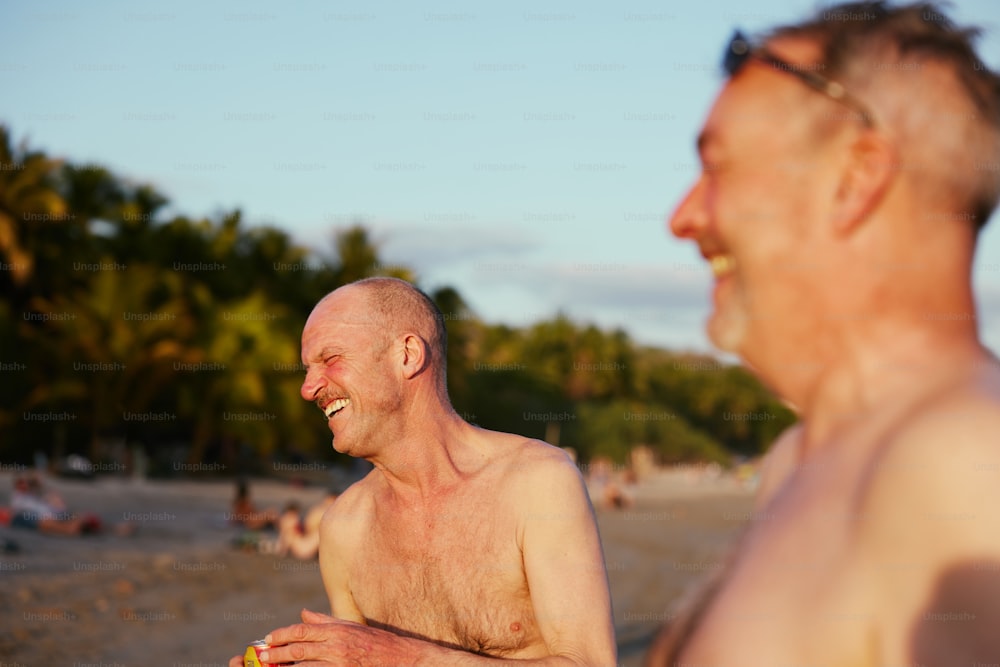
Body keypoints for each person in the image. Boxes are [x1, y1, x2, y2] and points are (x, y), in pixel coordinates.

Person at [646, 2, 1000, 665]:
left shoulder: (961, 462)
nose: (683, 217)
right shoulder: (799, 461)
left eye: (718, 167)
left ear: (856, 176)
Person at [228, 277, 616, 666]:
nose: (308, 388)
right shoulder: (345, 525)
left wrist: (404, 659)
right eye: (307, 369)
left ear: (408, 355)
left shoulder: (536, 482)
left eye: (330, 359)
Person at [275, 488, 339, 560]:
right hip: (305, 548)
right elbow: (306, 529)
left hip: (304, 544)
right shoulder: (323, 511)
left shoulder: (318, 510)